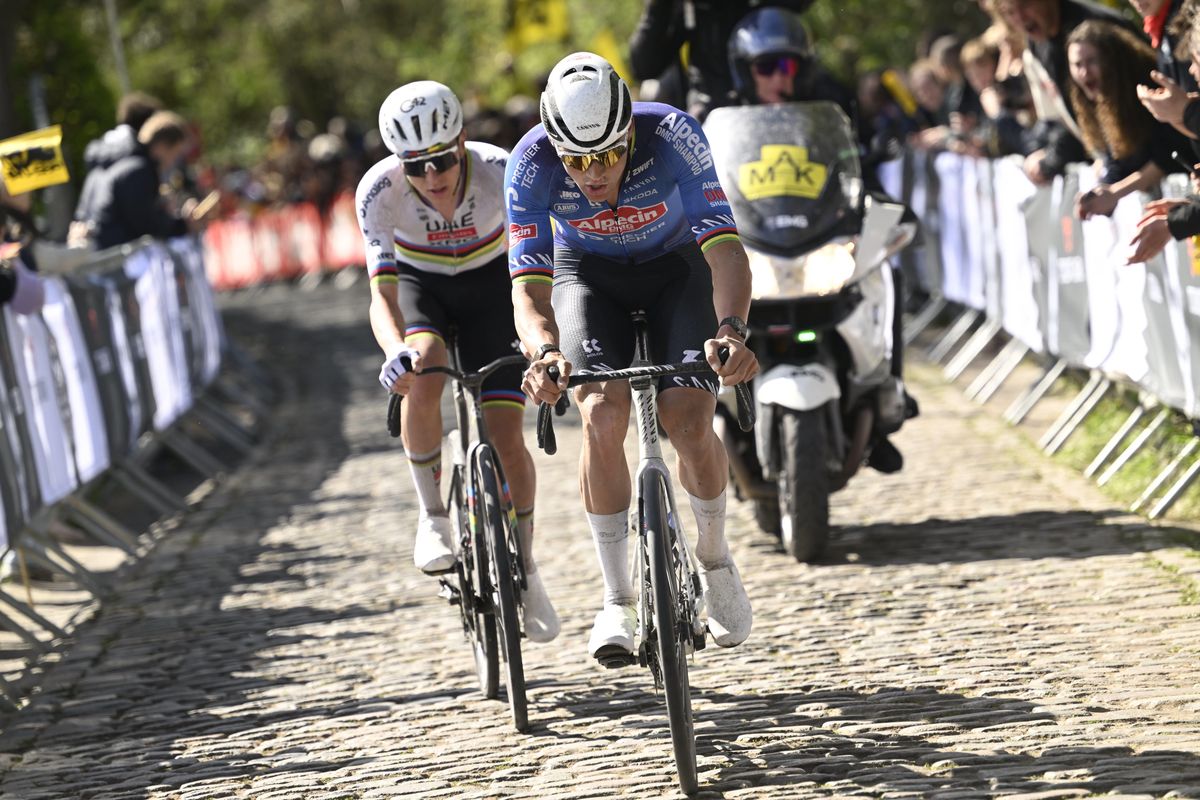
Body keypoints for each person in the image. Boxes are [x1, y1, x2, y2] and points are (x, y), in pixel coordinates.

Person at [508, 53, 758, 660]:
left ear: (629, 133)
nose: (594, 173)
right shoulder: (529, 163)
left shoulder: (672, 134)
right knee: (600, 414)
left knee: (690, 420)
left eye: (608, 154)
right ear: (554, 148)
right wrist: (543, 353)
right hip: (586, 277)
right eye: (576, 161)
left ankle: (715, 557)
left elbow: (724, 251)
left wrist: (732, 331)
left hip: (677, 269)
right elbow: (528, 288)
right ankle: (617, 597)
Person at [356, 81, 559, 643]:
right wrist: (394, 350)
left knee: (506, 436)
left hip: (493, 284)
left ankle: (528, 568)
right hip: (425, 288)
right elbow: (383, 296)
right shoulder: (379, 191)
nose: (431, 177)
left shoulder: (501, 170)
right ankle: (433, 516)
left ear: (463, 141)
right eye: (415, 167)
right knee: (421, 370)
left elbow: (540, 267)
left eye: (442, 160)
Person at [995, 0, 1140, 184]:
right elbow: (1061, 114)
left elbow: (1127, 108)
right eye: (1010, 12)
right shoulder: (1037, 43)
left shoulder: (1095, 29)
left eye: (1025, 5)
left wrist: (1111, 164)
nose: (1021, 18)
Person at [1067, 21, 1189, 219]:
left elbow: (1168, 155)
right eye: (1077, 65)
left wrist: (1116, 192)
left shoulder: (1145, 89)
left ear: (1110, 60)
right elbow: (1117, 161)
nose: (1084, 72)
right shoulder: (1099, 99)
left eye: (1091, 62)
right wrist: (1101, 192)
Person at [628, 0, 815, 119]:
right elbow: (644, 66)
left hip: (782, 112)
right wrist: (659, 5)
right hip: (713, 120)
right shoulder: (695, 8)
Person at [85, 111, 200, 250]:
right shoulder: (140, 170)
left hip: (100, 250)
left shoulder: (119, 162)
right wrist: (183, 224)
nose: (173, 163)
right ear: (162, 147)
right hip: (115, 257)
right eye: (175, 155)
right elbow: (146, 224)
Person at [71, 92, 164, 246]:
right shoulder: (136, 162)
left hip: (96, 246)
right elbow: (142, 221)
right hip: (124, 255)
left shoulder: (103, 154)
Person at [725, 6, 855, 114]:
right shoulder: (726, 120)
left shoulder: (820, 115)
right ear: (746, 74)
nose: (778, 78)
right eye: (765, 67)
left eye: (787, 66)